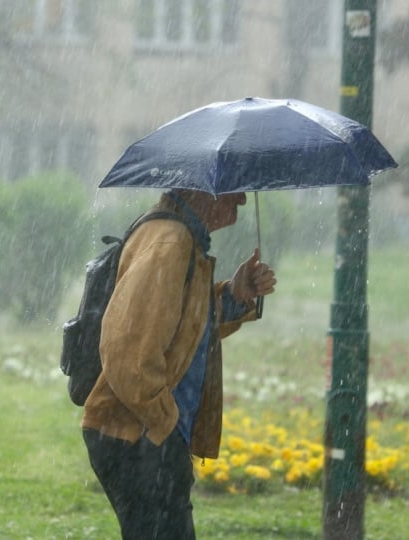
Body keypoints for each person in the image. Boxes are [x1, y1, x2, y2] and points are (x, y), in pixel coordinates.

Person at [81, 189, 277, 539]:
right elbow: (127, 351)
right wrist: (165, 429)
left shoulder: (185, 240)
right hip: (139, 436)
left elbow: (186, 327)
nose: (244, 200)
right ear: (201, 190)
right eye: (234, 189)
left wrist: (236, 294)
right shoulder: (171, 244)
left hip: (144, 435)